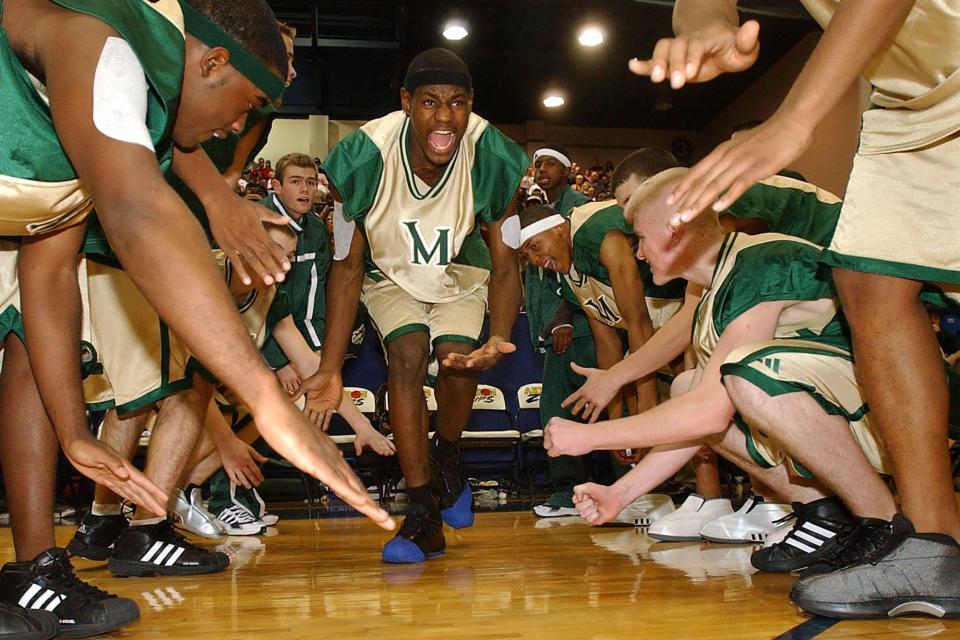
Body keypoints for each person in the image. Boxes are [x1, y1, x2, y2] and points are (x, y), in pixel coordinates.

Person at [0, 1, 389, 637]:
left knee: (27, 336)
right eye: (244, 104)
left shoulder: (114, 116)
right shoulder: (104, 47)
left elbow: (47, 278)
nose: (238, 124)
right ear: (210, 62)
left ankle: (29, 577)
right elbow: (135, 210)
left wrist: (74, 431)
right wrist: (263, 396)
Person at [629, 0, 960, 619]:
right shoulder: (712, 274)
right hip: (906, 92)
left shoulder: (763, 252)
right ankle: (932, 546)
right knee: (867, 277)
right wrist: (703, 28)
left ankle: (865, 514)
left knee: (751, 369)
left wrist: (797, 115)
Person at [545, 168, 924, 604]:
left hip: (899, 416)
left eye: (642, 239)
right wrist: (619, 493)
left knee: (739, 372)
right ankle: (828, 513)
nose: (640, 254)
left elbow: (710, 412)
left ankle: (884, 529)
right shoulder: (716, 287)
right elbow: (698, 414)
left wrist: (589, 437)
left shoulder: (762, 259)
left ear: (675, 230)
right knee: (691, 385)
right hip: (852, 414)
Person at [299, 48, 528, 564]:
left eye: (457, 103)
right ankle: (422, 510)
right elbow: (346, 265)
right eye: (429, 103)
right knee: (407, 354)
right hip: (388, 271)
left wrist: (500, 333)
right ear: (405, 102)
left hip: (459, 270)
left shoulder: (494, 156)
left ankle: (446, 455)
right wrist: (330, 368)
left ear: (471, 106)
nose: (444, 117)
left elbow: (507, 262)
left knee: (458, 356)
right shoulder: (360, 157)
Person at [523, 146, 592, 517]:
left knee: (586, 407)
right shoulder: (535, 207)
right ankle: (570, 493)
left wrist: (565, 317)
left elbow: (580, 269)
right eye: (537, 165)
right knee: (558, 410)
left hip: (581, 326)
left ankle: (586, 490)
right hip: (552, 330)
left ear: (568, 170)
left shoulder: (577, 207)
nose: (541, 170)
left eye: (550, 163)